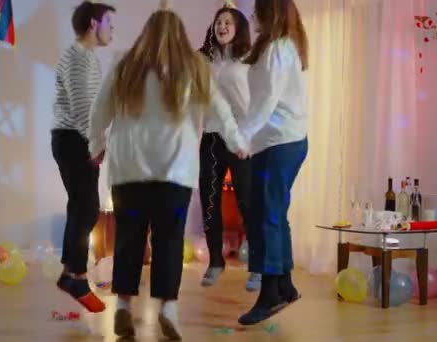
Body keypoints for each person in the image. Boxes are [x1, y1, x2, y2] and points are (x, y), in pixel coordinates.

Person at [88, 1, 248, 339]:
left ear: (145, 34)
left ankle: (122, 307)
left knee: (129, 240)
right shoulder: (194, 67)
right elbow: (220, 109)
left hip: (128, 170)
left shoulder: (125, 64)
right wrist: (236, 143)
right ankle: (168, 309)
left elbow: (100, 109)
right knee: (169, 241)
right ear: (180, 36)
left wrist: (95, 145)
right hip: (174, 172)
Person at [236, 0, 309, 325]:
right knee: (272, 212)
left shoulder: (280, 48)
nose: (253, 18)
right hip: (272, 141)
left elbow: (267, 101)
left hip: (283, 141)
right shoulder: (271, 46)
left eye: (257, 12)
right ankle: (285, 285)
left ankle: (269, 294)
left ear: (271, 13)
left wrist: (243, 137)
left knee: (268, 215)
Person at [50, 0, 115, 313]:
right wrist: (96, 144)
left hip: (77, 139)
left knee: (82, 206)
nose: (112, 30)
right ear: (93, 24)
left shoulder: (88, 57)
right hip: (74, 140)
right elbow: (81, 111)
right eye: (109, 24)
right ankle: (75, 275)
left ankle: (70, 273)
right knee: (87, 207)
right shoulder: (78, 58)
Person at [197, 0, 261, 291]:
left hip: (241, 138)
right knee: (209, 202)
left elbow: (252, 104)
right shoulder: (205, 59)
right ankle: (215, 262)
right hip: (211, 137)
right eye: (219, 22)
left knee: (247, 202)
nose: (222, 26)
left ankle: (258, 268)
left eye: (228, 23)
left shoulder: (248, 59)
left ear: (239, 29)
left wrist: (245, 138)